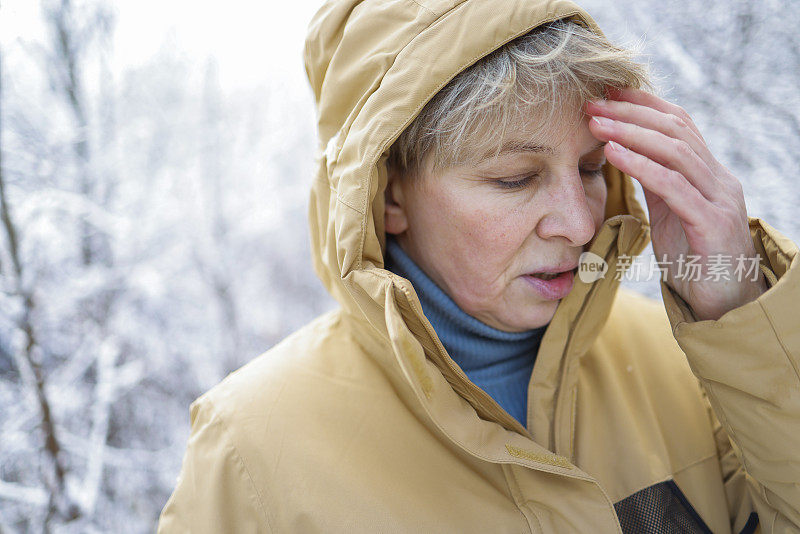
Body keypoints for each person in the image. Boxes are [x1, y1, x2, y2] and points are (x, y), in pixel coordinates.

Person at [158, 0, 800, 532]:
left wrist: (740, 319)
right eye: (516, 179)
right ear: (389, 195)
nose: (579, 225)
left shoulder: (692, 367)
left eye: (590, 168)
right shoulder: (252, 451)